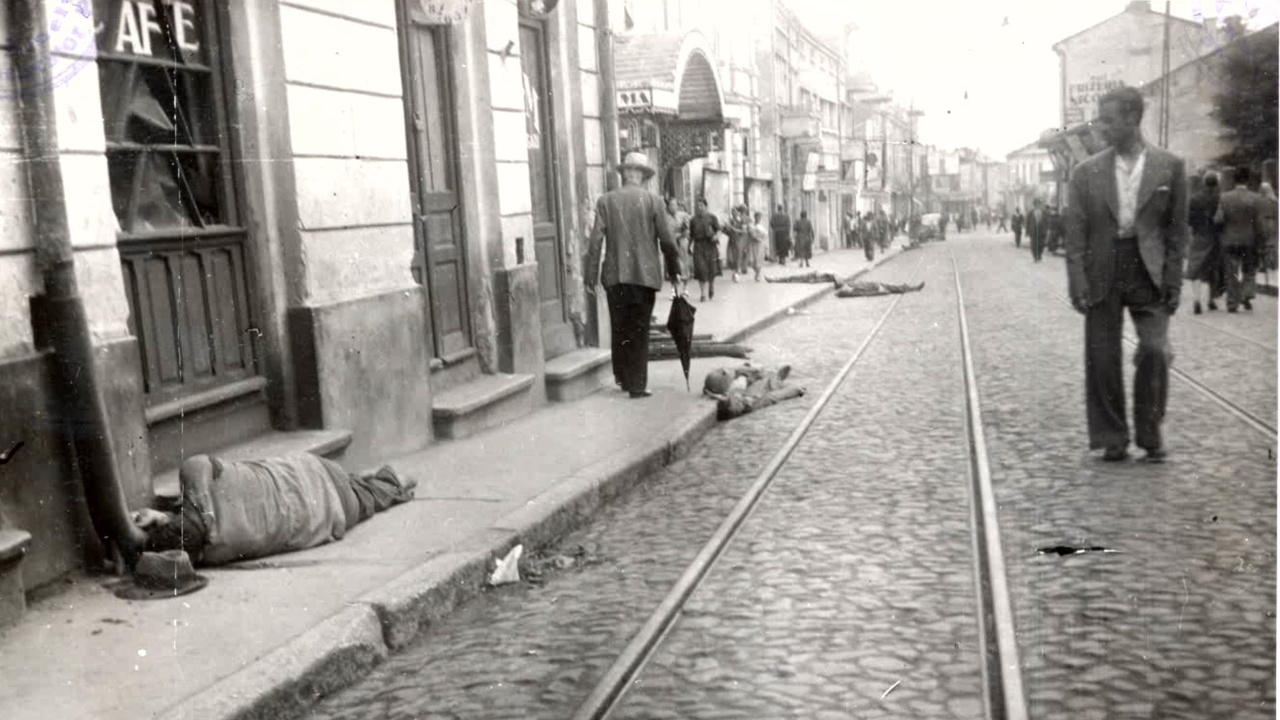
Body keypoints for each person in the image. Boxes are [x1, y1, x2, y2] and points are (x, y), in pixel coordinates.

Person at [1064, 86, 1188, 463]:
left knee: (1154, 349)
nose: (1101, 127)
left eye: (1108, 119)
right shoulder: (1087, 172)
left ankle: (1150, 433)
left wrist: (1173, 280)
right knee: (1102, 356)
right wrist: (1077, 280)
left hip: (1147, 268)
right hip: (1103, 267)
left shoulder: (1170, 166)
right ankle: (1112, 436)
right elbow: (1076, 233)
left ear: (1132, 120)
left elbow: (1177, 231)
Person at [134, 453, 416, 566]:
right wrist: (171, 516)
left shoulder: (215, 553)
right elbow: (198, 469)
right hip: (310, 469)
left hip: (332, 507)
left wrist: (165, 523)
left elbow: (195, 534)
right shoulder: (200, 476)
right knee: (354, 484)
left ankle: (390, 483)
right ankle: (381, 479)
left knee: (370, 495)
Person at [584, 150, 682, 398]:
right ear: (641, 175)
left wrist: (590, 276)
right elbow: (668, 241)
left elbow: (595, 242)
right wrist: (675, 271)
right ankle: (637, 385)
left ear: (626, 173)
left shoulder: (606, 200)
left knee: (619, 327)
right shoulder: (654, 201)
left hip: (615, 275)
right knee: (639, 329)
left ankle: (623, 378)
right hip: (644, 276)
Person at [1214, 165, 1267, 312]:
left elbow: (1218, 220)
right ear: (1248, 180)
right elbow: (1259, 223)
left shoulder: (1224, 197)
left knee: (1232, 272)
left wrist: (1221, 233)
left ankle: (1232, 303)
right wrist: (1262, 239)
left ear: (1234, 180)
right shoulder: (1256, 198)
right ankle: (1247, 293)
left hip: (1229, 240)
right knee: (1249, 269)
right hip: (1249, 241)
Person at [702, 363, 805, 421]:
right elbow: (772, 397)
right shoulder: (745, 400)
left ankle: (773, 376)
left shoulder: (737, 385)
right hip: (748, 391)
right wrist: (794, 390)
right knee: (767, 386)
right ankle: (776, 377)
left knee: (761, 379)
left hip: (739, 387)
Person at [1185, 171, 1223, 314]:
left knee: (1196, 269)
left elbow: (1188, 219)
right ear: (1217, 183)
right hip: (1215, 236)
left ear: (1204, 182)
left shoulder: (1194, 198)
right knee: (1213, 268)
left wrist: (1196, 228)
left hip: (1199, 235)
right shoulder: (1220, 198)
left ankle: (1196, 300)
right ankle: (1211, 300)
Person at [688, 197, 721, 301]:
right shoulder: (693, 220)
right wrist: (689, 246)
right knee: (700, 270)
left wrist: (716, 236)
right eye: (698, 206)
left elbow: (719, 230)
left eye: (701, 205)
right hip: (698, 246)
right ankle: (703, 294)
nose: (699, 208)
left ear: (706, 206)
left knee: (711, 269)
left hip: (710, 245)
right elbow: (691, 235)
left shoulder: (712, 218)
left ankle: (711, 285)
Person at [666, 197, 692, 297]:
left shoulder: (683, 215)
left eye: (674, 205)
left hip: (682, 242)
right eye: (671, 205)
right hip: (671, 242)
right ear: (668, 207)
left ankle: (685, 288)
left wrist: (681, 235)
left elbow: (687, 229)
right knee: (672, 264)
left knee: (684, 264)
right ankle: (673, 288)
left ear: (678, 206)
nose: (673, 207)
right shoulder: (665, 217)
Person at [746, 211, 767, 281]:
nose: (759, 218)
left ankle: (758, 274)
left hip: (760, 244)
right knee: (751, 261)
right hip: (752, 244)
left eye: (760, 217)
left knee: (759, 259)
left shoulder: (762, 226)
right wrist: (753, 236)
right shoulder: (751, 225)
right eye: (757, 217)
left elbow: (764, 235)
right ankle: (757, 272)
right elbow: (750, 234)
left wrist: (760, 237)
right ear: (755, 217)